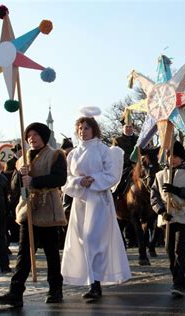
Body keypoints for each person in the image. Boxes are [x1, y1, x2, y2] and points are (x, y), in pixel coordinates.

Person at [0, 122, 67, 307]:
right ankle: (15, 292)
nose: (31, 138)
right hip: (28, 210)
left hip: (48, 207)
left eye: (35, 135)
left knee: (51, 253)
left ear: (43, 136)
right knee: (24, 253)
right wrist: (20, 175)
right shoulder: (22, 159)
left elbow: (60, 179)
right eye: (28, 136)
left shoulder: (56, 154)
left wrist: (35, 180)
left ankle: (55, 289)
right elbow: (14, 187)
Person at [61, 115, 131, 300]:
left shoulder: (103, 150)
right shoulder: (72, 154)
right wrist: (78, 181)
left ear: (94, 130)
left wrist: (94, 181)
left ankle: (96, 282)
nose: (82, 131)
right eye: (80, 128)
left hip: (99, 200)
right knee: (81, 240)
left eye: (86, 128)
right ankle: (91, 280)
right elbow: (66, 179)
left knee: (93, 238)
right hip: (80, 201)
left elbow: (112, 174)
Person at [150, 140, 185, 297]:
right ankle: (176, 278)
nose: (172, 159)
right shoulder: (159, 175)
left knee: (180, 249)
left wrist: (177, 190)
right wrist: (160, 211)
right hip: (167, 217)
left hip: (184, 216)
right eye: (170, 156)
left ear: (182, 158)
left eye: (176, 156)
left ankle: (179, 284)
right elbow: (154, 196)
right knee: (168, 249)